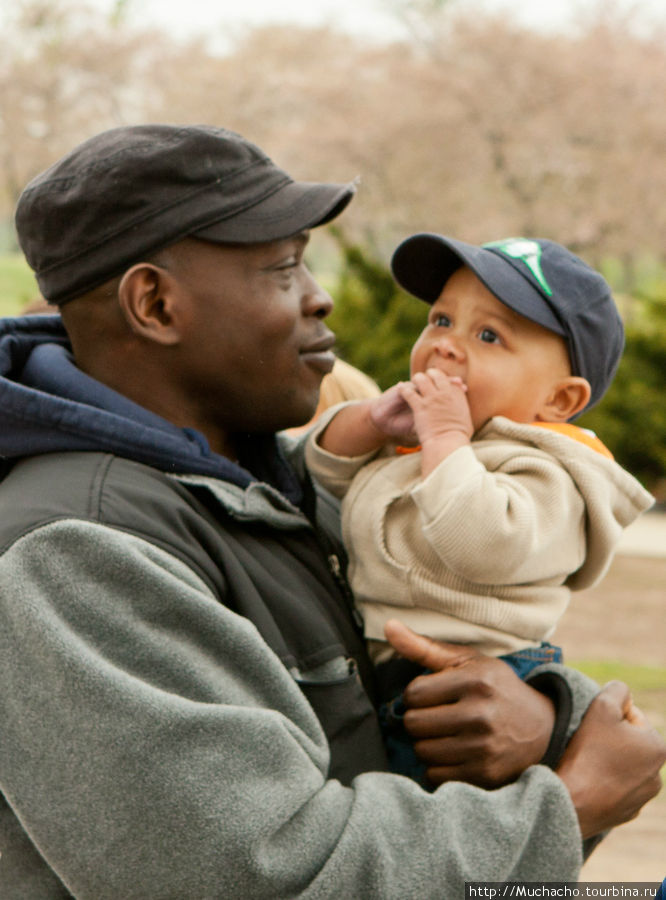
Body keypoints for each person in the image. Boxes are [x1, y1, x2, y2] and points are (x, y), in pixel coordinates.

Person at [0, 125, 662, 899]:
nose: (322, 295)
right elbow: (263, 876)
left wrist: (546, 721)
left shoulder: (244, 481)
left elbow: (446, 646)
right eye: (283, 269)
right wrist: (570, 803)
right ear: (154, 303)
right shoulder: (74, 550)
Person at [306, 235, 653, 671]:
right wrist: (371, 422)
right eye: (441, 319)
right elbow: (321, 472)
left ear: (560, 401)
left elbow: (484, 542)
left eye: (489, 335)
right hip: (388, 664)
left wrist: (446, 436)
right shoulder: (433, 444)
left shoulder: (550, 474)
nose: (446, 344)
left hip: (486, 674)